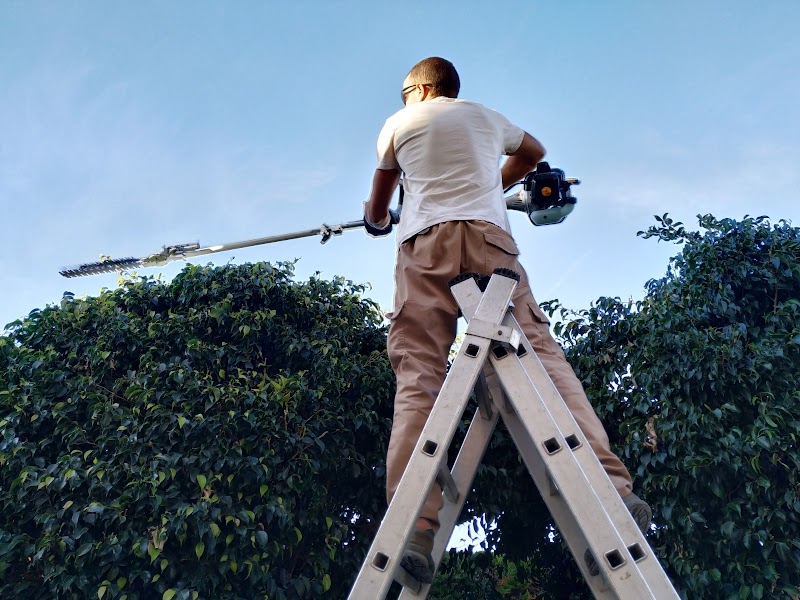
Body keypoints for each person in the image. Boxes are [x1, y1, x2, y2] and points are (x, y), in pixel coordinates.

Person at [362, 57, 651, 584]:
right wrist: (490, 186)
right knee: (540, 356)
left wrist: (376, 218)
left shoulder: (399, 125)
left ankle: (417, 527)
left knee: (419, 373)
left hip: (425, 247)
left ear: (423, 89)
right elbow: (535, 153)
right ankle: (612, 490)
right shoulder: (486, 117)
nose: (404, 98)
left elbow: (380, 205)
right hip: (491, 240)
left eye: (406, 91)